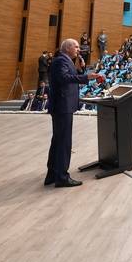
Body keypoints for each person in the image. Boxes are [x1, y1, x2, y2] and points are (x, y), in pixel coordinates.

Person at [45, 39, 102, 188]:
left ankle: (52, 174)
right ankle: (62, 177)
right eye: (76, 46)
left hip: (63, 106)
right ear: (68, 48)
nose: (79, 49)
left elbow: (71, 77)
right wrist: (86, 77)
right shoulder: (60, 61)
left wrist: (82, 70)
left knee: (58, 141)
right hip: (62, 107)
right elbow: (64, 79)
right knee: (63, 142)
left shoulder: (66, 61)